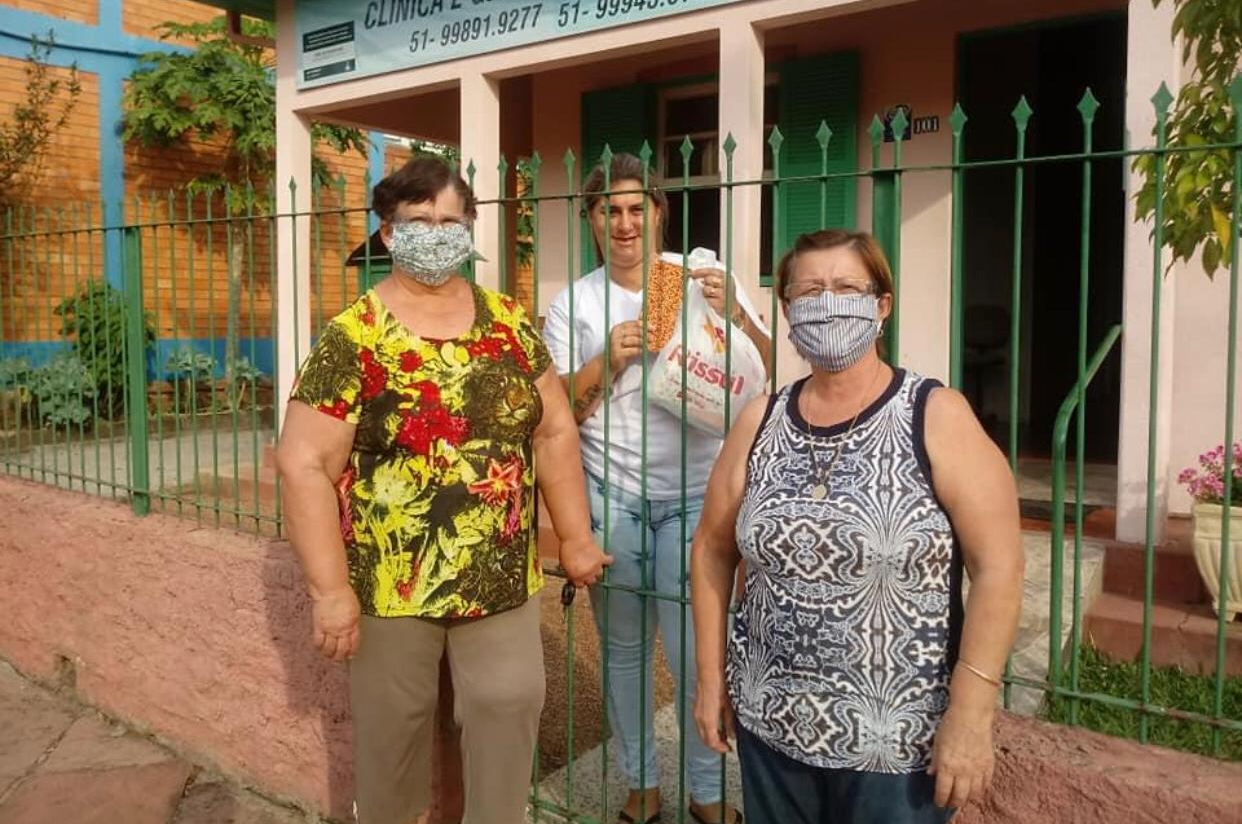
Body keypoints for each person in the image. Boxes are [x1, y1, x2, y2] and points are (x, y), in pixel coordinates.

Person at [275, 155, 610, 824]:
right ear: (389, 231)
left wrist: (575, 535)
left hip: (499, 575)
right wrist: (330, 591)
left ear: (471, 228)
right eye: (419, 220)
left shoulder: (509, 323)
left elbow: (552, 433)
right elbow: (303, 463)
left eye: (451, 220)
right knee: (395, 737)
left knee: (508, 710)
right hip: (392, 582)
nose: (436, 232)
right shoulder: (354, 338)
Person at [691, 229, 1024, 824]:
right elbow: (713, 551)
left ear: (882, 305)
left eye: (847, 288)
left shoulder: (935, 415)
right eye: (810, 291)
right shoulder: (760, 419)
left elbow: (998, 567)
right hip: (773, 731)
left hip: (898, 746)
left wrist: (972, 713)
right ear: (788, 311)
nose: (828, 303)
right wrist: (712, 678)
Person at [543, 153, 770, 824]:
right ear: (590, 220)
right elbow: (555, 411)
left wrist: (740, 316)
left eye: (637, 209)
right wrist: (605, 359)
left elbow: (770, 370)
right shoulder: (574, 302)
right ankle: (642, 781)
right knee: (624, 652)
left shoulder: (704, 280)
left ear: (659, 213)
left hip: (699, 496)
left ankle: (705, 789)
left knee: (699, 650)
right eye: (608, 210)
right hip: (612, 492)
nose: (624, 222)